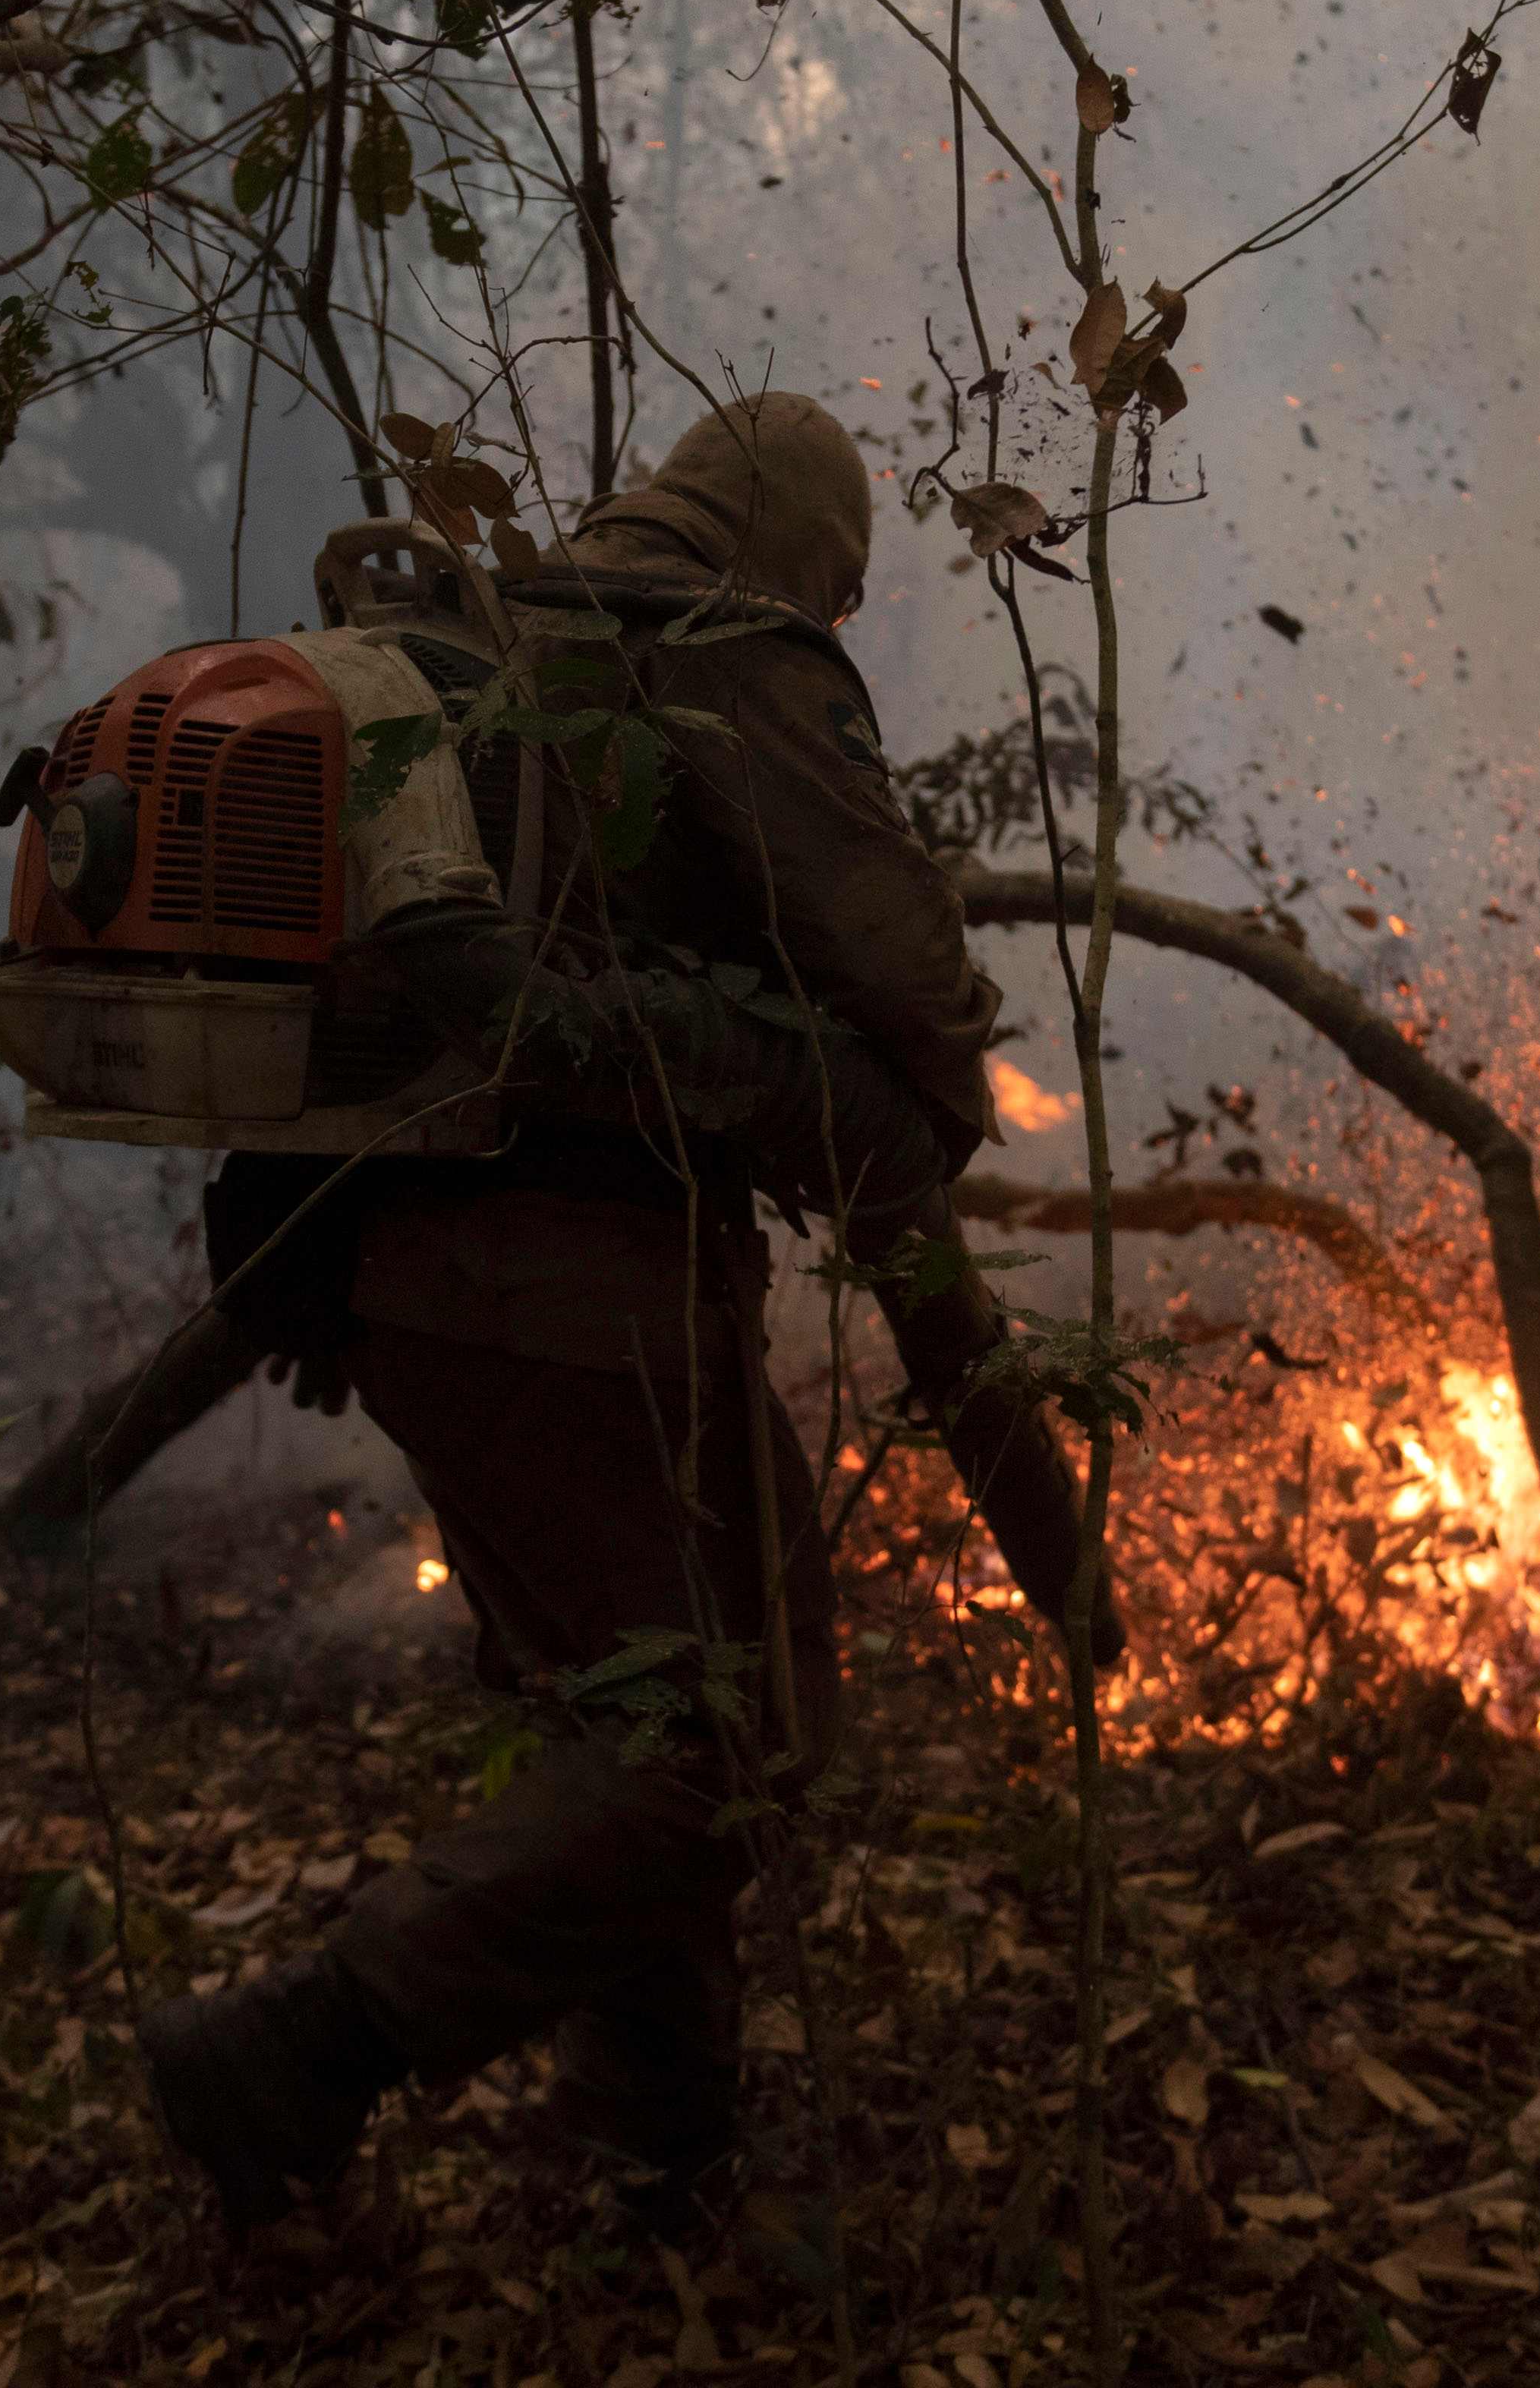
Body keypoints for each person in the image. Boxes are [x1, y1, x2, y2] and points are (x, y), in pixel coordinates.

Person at [136, 392, 1090, 2232]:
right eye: (842, 573)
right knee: (730, 1729)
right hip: (582, 1285)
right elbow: (893, 955)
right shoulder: (726, 658)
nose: (839, 607)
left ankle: (655, 2129)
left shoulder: (474, 638)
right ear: (796, 541)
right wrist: (923, 1078)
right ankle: (307, 2045)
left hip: (405, 1283)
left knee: (636, 1701)